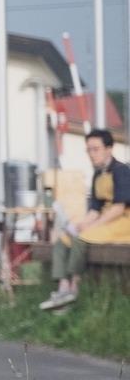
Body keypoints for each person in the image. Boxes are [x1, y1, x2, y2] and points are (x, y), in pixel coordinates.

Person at [42, 128, 130, 310]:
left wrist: (91, 227)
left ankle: (75, 286)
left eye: (95, 149)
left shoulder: (121, 171)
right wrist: (81, 224)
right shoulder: (98, 174)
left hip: (123, 220)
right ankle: (63, 287)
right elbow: (95, 209)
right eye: (88, 149)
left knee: (81, 238)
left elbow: (119, 207)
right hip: (105, 219)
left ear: (109, 149)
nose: (91, 154)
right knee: (64, 239)